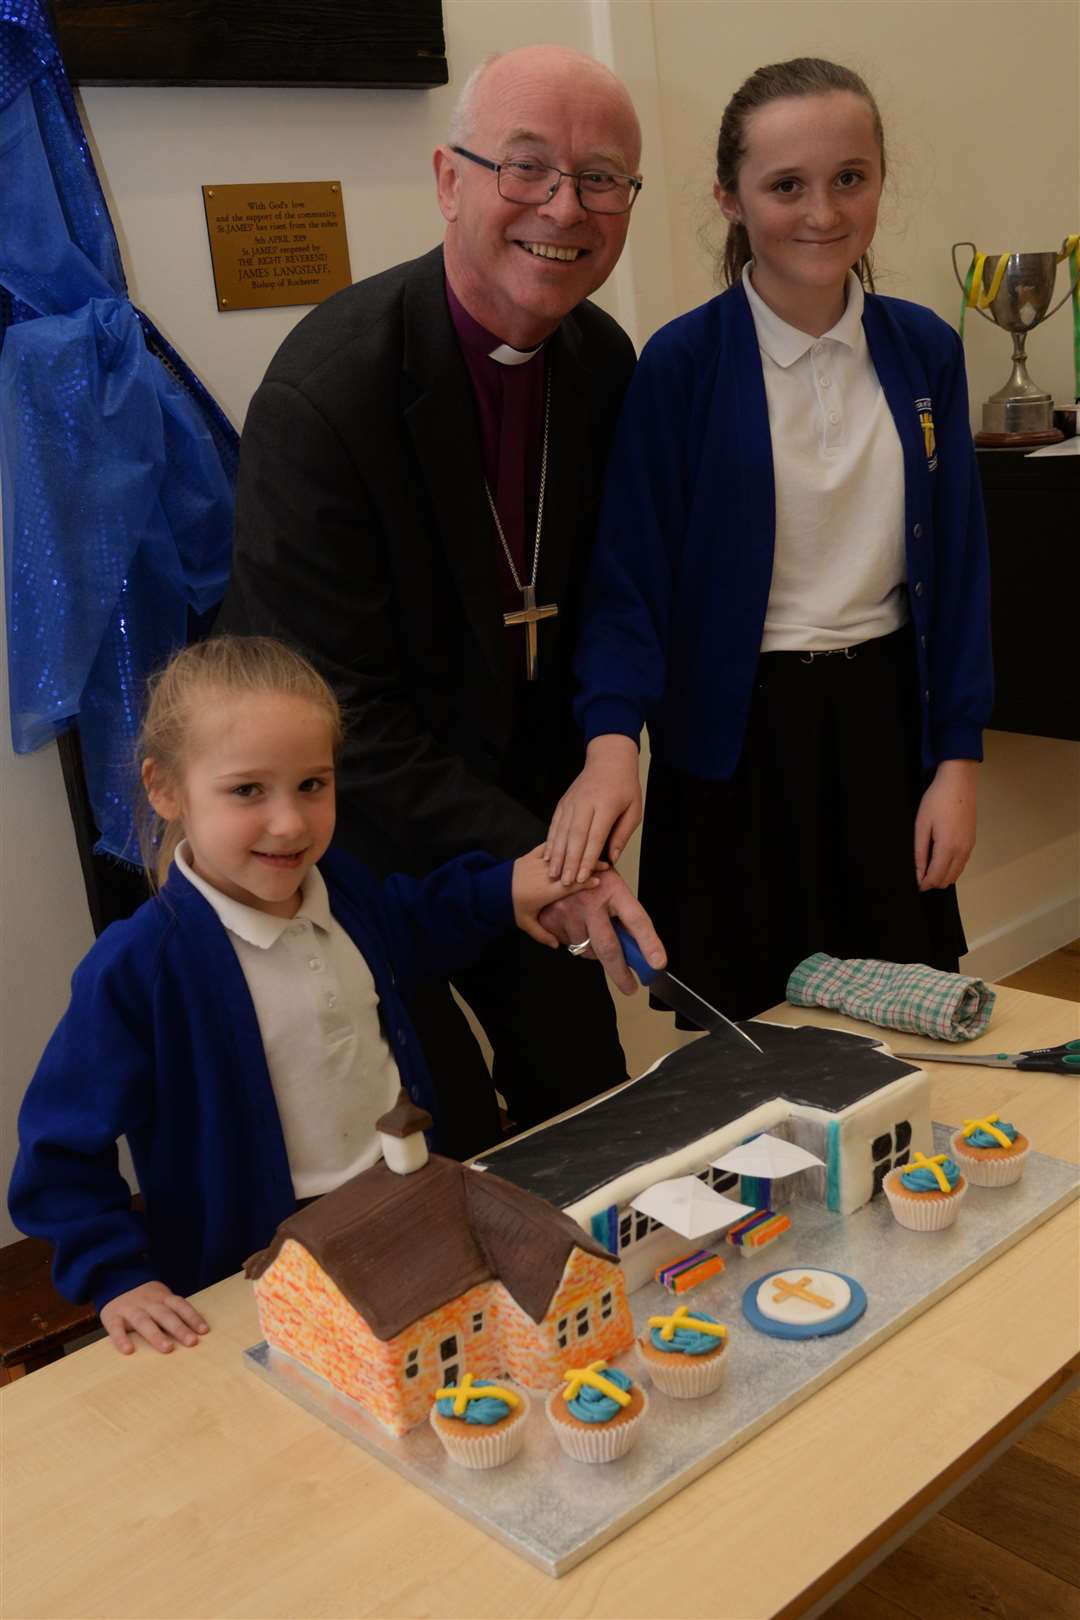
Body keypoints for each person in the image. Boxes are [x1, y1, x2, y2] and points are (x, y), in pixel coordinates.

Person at [218, 45, 664, 1159]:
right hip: (358, 846)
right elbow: (340, 712)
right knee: (437, 1144)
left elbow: (618, 585)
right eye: (526, 167)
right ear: (449, 180)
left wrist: (613, 748)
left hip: (523, 812)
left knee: (593, 1106)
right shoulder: (327, 394)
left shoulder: (604, 362)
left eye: (602, 177)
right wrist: (553, 865)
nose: (565, 207)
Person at [545, 58, 992, 1022]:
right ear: (731, 198)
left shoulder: (926, 352)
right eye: (786, 185)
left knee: (900, 1017)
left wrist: (956, 760)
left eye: (850, 178)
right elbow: (630, 581)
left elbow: (958, 570)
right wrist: (610, 739)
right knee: (747, 1045)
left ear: (879, 181)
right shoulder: (681, 367)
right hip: (738, 754)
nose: (823, 211)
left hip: (886, 735)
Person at [8, 637, 603, 1356]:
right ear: (167, 789)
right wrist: (115, 1274)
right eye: (247, 790)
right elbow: (59, 1145)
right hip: (262, 1271)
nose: (289, 823)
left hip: (410, 1216)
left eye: (312, 785)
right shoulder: (139, 967)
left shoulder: (345, 890)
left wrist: (508, 888)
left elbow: (415, 920)